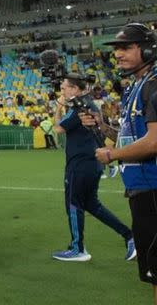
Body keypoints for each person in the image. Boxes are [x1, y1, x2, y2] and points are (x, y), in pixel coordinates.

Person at [82, 23, 157, 303]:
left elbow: (153, 142)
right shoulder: (136, 86)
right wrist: (103, 127)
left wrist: (111, 155)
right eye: (117, 49)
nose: (118, 54)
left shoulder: (153, 85)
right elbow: (131, 138)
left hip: (153, 190)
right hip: (143, 191)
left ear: (148, 48)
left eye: (126, 47)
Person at [51, 74, 134, 262]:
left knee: (73, 203)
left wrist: (58, 106)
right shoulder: (85, 104)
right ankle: (129, 235)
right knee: (92, 205)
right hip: (92, 162)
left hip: (80, 164)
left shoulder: (81, 106)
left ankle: (77, 248)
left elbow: (57, 128)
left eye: (64, 88)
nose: (61, 91)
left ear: (74, 89)